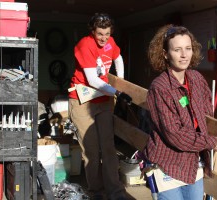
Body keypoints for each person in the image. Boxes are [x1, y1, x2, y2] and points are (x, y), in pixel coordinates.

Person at [142, 24, 217, 200]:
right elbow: (174, 134)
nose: (184, 55)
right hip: (168, 165)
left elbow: (207, 117)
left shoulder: (197, 79)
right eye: (177, 50)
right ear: (165, 54)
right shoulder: (159, 88)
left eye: (188, 48)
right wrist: (212, 142)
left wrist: (215, 136)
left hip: (193, 164)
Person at [68, 13, 132, 200]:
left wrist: (120, 82)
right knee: (92, 151)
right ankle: (96, 191)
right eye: (99, 34)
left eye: (107, 33)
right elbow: (92, 79)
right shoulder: (84, 45)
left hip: (104, 100)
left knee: (109, 148)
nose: (103, 38)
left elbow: (118, 57)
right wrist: (117, 93)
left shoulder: (110, 41)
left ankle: (116, 191)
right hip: (83, 101)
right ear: (92, 31)